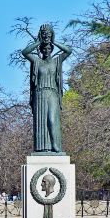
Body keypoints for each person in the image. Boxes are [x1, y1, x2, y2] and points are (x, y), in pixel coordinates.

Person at [22, 24, 71, 153]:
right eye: (44, 49)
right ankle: (42, 148)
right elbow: (25, 52)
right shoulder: (37, 61)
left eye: (49, 48)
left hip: (52, 93)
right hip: (40, 94)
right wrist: (38, 41)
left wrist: (54, 41)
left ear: (52, 49)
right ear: (42, 50)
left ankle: (55, 145)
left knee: (52, 119)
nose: (47, 50)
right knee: (41, 122)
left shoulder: (56, 61)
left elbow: (68, 51)